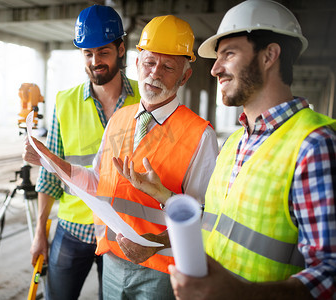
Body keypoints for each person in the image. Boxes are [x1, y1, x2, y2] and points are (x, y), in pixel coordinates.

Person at [132, 1, 335, 299]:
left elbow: (330, 272)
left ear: (269, 55)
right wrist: (163, 195)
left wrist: (242, 294)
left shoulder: (313, 145)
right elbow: (217, 221)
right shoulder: (235, 143)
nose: (214, 69)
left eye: (228, 54)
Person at [24, 15, 218, 300]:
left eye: (168, 67)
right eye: (149, 63)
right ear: (138, 64)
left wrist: (155, 245)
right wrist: (50, 160)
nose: (154, 74)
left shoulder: (200, 135)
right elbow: (96, 180)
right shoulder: (121, 118)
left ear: (185, 76)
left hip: (162, 269)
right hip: (113, 260)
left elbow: (205, 217)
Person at [30, 5, 140, 300]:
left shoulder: (144, 100)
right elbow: (49, 175)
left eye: (103, 52)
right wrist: (40, 231)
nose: (95, 62)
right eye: (87, 54)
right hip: (72, 229)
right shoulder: (65, 102)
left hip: (121, 232)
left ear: (120, 48)